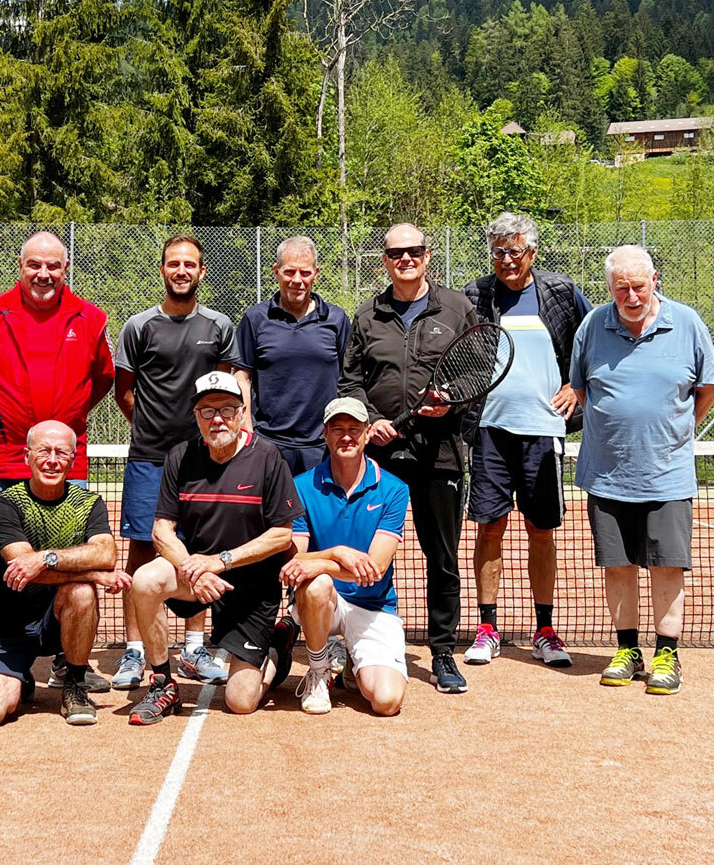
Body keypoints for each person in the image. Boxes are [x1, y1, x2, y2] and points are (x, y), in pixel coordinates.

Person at [0, 231, 115, 703]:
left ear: (66, 268)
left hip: (65, 461)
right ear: (21, 265)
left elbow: (104, 379)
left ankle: (66, 660)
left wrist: (68, 425)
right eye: (34, 264)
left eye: (53, 266)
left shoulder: (92, 319)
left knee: (72, 561)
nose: (43, 274)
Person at [570, 245, 714, 696]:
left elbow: (707, 386)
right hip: (606, 473)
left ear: (655, 279)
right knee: (617, 566)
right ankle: (627, 650)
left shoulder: (688, 323)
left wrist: (677, 431)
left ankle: (667, 654)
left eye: (638, 286)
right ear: (610, 288)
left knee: (667, 567)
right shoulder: (593, 325)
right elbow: (580, 389)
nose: (631, 296)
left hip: (668, 474)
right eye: (622, 289)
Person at [338, 222, 479, 694]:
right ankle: (366, 645)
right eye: (396, 253)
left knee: (441, 558)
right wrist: (371, 419)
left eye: (414, 251)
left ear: (427, 254)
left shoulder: (458, 308)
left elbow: (477, 372)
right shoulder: (367, 315)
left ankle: (442, 653)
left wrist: (451, 402)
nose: (406, 259)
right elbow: (350, 382)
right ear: (385, 260)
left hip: (440, 456)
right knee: (372, 556)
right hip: (382, 457)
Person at [127, 372, 300, 725]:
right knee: (144, 580)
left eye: (226, 408)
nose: (217, 418)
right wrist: (195, 567)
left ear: (241, 413)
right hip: (199, 576)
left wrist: (220, 562)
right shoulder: (180, 456)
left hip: (251, 589)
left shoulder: (268, 457)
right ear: (196, 417)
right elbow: (162, 530)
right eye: (207, 410)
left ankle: (275, 649)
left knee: (240, 701)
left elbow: (282, 535)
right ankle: (162, 681)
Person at [460, 212, 592, 670]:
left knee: (541, 530)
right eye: (498, 252)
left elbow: (593, 343)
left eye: (515, 251)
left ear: (532, 252)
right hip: (489, 432)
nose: (507, 260)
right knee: (489, 528)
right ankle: (488, 627)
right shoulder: (475, 295)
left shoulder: (559, 292)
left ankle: (545, 629)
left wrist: (578, 387)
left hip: (545, 432)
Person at [113, 235, 241, 690]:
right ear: (163, 270)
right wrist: (153, 428)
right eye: (173, 263)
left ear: (201, 271)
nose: (181, 270)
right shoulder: (139, 327)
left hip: (205, 462)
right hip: (149, 459)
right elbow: (123, 391)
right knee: (142, 550)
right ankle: (133, 652)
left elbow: (232, 384)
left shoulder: (220, 325)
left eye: (190, 263)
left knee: (199, 547)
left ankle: (193, 646)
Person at [0, 421, 131, 728]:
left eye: (61, 452)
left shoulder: (88, 504)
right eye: (44, 451)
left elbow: (107, 553)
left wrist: (45, 557)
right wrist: (95, 575)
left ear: (73, 458)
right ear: (26, 456)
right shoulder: (5, 504)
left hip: (58, 620)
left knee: (82, 593)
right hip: (7, 627)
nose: (52, 460)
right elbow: (22, 570)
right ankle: (18, 678)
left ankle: (74, 684)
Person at [283, 397, 410, 717]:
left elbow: (375, 570)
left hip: (374, 606)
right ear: (324, 434)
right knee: (316, 585)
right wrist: (338, 554)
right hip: (322, 605)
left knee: (386, 701)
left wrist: (321, 562)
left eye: (354, 428)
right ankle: (318, 670)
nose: (346, 436)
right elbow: (296, 559)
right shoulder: (300, 486)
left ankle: (354, 662)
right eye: (337, 429)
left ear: (367, 434)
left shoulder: (394, 489)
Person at [234, 235, 351, 477]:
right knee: (269, 516)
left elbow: (349, 380)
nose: (297, 280)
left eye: (305, 273)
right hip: (269, 444)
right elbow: (242, 377)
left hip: (322, 446)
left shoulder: (336, 320)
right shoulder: (256, 319)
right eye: (289, 272)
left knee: (320, 515)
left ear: (316, 273)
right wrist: (248, 432)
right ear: (276, 272)